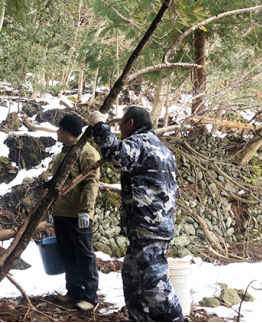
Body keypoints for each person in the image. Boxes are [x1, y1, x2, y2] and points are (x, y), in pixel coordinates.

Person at [88, 107, 184, 321]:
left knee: (155, 288)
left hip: (148, 228)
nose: (119, 130)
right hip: (151, 227)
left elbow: (116, 155)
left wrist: (99, 125)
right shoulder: (162, 148)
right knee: (133, 280)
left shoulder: (141, 142)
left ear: (130, 123)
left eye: (120, 125)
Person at [48, 114, 101, 311]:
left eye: (60, 128)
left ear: (68, 131)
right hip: (61, 212)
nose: (57, 131)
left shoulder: (86, 153)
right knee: (67, 255)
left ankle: (90, 297)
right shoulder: (62, 154)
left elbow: (91, 183)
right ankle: (74, 291)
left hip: (78, 215)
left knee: (84, 255)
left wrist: (86, 211)